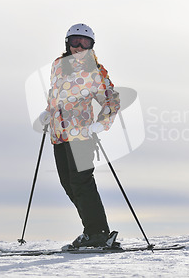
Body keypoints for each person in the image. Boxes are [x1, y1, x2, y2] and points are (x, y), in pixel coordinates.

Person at [39, 23, 120, 248]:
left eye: (85, 42)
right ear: (68, 43)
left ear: (92, 45)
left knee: (82, 183)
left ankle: (98, 233)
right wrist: (48, 112)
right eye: (75, 41)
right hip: (59, 136)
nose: (79, 46)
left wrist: (100, 125)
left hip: (82, 135)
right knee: (69, 185)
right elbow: (55, 95)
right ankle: (93, 231)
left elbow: (111, 100)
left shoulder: (95, 70)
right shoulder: (58, 66)